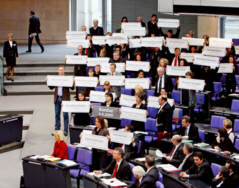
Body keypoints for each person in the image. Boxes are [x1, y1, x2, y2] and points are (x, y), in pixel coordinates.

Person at [48, 66, 73, 136]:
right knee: (57, 115)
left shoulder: (67, 78)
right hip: (57, 98)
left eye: (62, 70)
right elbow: (51, 87)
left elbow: (72, 87)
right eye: (60, 70)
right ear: (58, 71)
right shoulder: (55, 78)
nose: (61, 71)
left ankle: (65, 131)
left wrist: (73, 82)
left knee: (65, 115)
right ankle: (57, 130)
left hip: (65, 99)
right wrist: (48, 81)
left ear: (64, 71)